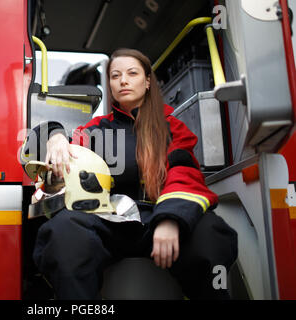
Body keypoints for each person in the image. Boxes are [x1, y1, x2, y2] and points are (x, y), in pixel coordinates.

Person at [27, 48, 238, 300]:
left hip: (159, 215)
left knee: (211, 232)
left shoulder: (172, 126)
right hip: (107, 220)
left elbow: (184, 172)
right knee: (63, 231)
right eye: (115, 76)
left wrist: (171, 219)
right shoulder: (96, 129)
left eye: (132, 73)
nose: (123, 81)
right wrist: (56, 137)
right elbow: (51, 142)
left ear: (147, 81)